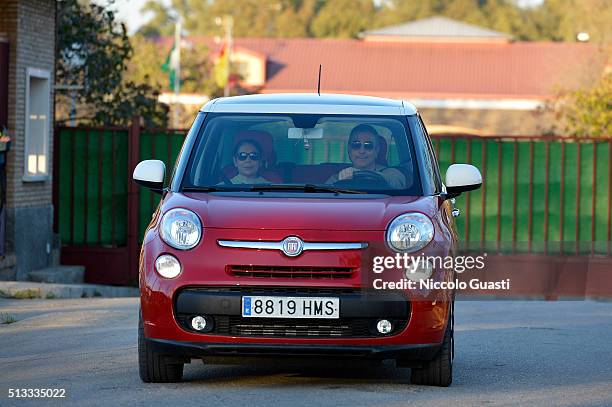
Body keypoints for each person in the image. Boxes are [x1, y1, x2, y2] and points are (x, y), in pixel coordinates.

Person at [326, 124, 406, 189]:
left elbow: (398, 182)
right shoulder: (338, 177)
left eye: (368, 146)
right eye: (356, 145)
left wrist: (363, 175)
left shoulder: (391, 173)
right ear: (349, 150)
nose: (362, 151)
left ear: (376, 150)